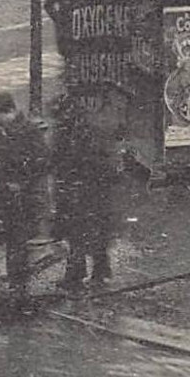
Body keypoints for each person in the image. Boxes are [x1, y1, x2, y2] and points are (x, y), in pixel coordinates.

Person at [0, 92, 49, 301]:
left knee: (18, 239)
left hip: (23, 197)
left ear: (8, 112)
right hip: (5, 196)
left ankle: (18, 285)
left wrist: (21, 182)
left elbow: (42, 162)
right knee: (12, 239)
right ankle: (16, 281)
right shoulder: (3, 131)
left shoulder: (28, 132)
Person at [51, 91, 121, 291]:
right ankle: (100, 271)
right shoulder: (89, 129)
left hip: (80, 192)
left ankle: (76, 275)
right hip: (92, 191)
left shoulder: (70, 133)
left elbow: (63, 162)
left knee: (77, 234)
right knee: (95, 232)